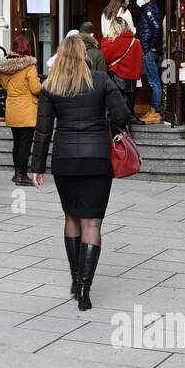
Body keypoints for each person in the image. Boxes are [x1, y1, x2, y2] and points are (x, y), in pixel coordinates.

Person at [30, 34, 133, 311]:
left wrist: (36, 167)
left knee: (72, 217)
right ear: (85, 55)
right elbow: (122, 115)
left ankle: (75, 280)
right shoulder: (100, 80)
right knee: (93, 223)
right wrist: (105, 122)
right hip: (97, 159)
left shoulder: (51, 85)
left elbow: (42, 130)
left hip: (65, 159)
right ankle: (86, 289)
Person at [0, 34, 41, 187]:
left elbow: (4, 86)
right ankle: (22, 175)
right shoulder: (29, 66)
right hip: (27, 110)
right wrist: (44, 86)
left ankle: (17, 173)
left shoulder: (5, 66)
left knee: (16, 143)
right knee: (25, 144)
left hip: (12, 108)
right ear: (27, 48)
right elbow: (35, 89)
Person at [135, 0, 165, 124]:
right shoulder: (154, 8)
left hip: (149, 50)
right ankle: (153, 110)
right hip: (151, 50)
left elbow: (156, 27)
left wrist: (150, 46)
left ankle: (155, 111)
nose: (137, 0)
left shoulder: (148, 9)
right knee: (154, 80)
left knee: (153, 82)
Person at [99, 15, 142, 111]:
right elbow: (139, 61)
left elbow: (105, 58)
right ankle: (126, 123)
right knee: (128, 104)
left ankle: (116, 123)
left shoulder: (109, 41)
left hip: (115, 76)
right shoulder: (136, 42)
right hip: (131, 79)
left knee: (115, 104)